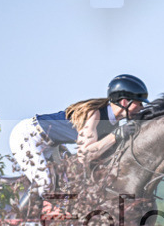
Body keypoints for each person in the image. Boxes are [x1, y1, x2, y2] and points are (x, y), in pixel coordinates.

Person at [9, 74, 149, 195]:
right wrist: (115, 136)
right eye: (139, 103)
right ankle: (24, 222)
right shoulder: (94, 113)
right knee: (45, 184)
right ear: (124, 101)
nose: (142, 108)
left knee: (68, 187)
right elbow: (85, 155)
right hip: (28, 136)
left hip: (52, 144)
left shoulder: (113, 123)